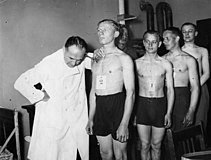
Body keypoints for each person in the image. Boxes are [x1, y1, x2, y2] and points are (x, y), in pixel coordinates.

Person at [14, 36, 93, 160]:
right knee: (50, 154)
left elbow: (98, 61)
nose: (74, 63)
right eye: (71, 58)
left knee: (70, 153)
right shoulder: (49, 63)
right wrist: (41, 96)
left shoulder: (81, 58)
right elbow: (20, 83)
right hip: (53, 116)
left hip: (74, 115)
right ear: (63, 50)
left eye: (79, 60)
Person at [86, 19, 135, 160]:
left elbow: (131, 93)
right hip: (100, 106)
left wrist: (125, 123)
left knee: (120, 154)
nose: (100, 33)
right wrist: (90, 118)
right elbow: (93, 91)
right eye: (99, 30)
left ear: (116, 34)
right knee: (105, 153)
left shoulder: (124, 58)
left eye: (105, 30)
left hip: (117, 105)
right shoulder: (96, 59)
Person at [135, 30, 174, 160]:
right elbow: (131, 91)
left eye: (154, 42)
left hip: (159, 105)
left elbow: (170, 90)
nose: (150, 45)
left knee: (156, 145)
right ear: (143, 43)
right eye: (147, 41)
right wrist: (134, 112)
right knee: (145, 145)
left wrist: (168, 113)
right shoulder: (136, 64)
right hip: (142, 105)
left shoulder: (166, 64)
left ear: (159, 44)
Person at [162, 27, 200, 131]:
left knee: (182, 133)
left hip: (181, 99)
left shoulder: (189, 60)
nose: (164, 41)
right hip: (164, 97)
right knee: (164, 136)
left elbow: (195, 88)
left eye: (167, 38)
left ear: (177, 38)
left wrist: (191, 111)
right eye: (163, 39)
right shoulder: (162, 59)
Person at [181, 22, 210, 130]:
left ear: (196, 33)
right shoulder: (178, 51)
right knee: (184, 122)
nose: (187, 34)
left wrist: (194, 87)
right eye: (184, 32)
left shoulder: (202, 50)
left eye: (190, 31)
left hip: (200, 87)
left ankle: (200, 146)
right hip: (183, 89)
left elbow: (206, 73)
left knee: (199, 122)